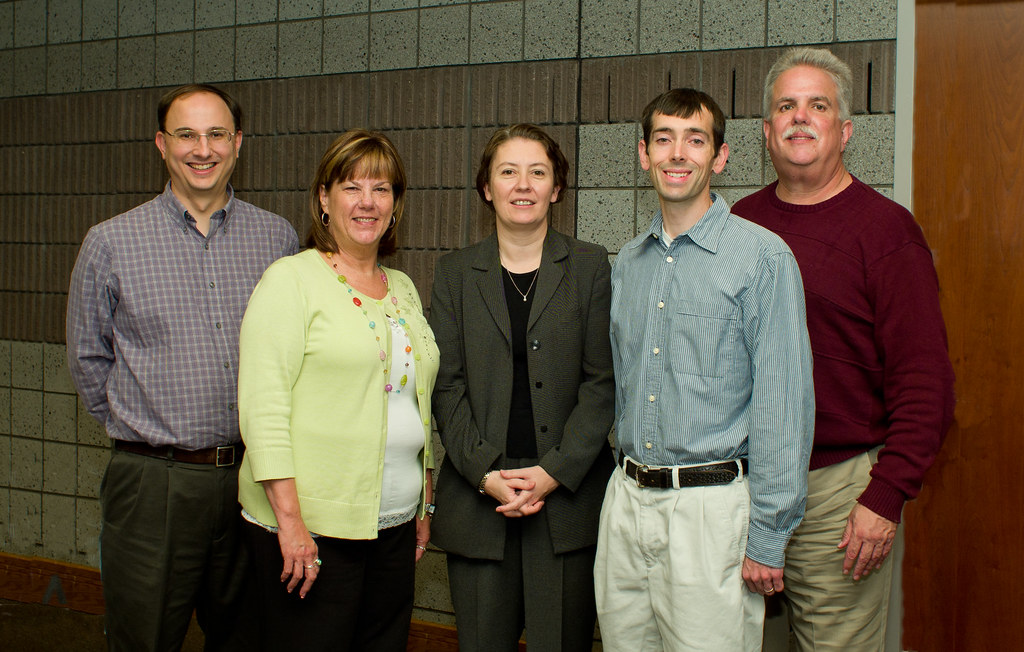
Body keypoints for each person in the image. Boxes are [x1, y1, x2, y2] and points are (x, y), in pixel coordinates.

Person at [732, 47, 956, 651]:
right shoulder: (739, 226)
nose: (800, 117)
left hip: (836, 494)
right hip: (744, 489)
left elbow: (925, 381)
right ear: (766, 131)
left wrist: (884, 496)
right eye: (786, 106)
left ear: (845, 130)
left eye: (818, 105)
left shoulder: (886, 231)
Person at [66, 84, 299, 650]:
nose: (203, 149)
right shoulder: (111, 243)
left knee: (251, 638)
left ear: (238, 143)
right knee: (144, 637)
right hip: (154, 483)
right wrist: (143, 432)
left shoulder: (277, 238)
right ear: (161, 143)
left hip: (253, 478)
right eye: (187, 135)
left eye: (217, 134)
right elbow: (88, 358)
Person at [594, 88, 815, 651]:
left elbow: (783, 404)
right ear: (643, 154)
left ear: (720, 157)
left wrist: (768, 536)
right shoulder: (629, 263)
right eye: (663, 139)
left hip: (709, 513)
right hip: (626, 503)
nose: (677, 153)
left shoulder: (762, 257)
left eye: (695, 140)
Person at [236, 129, 439, 651]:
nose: (367, 202)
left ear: (395, 205)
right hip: (314, 528)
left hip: (395, 523)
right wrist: (290, 524)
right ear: (324, 199)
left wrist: (423, 500)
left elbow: (413, 399)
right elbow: (263, 409)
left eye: (381, 188)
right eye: (352, 187)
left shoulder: (403, 288)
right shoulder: (290, 280)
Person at [429, 124, 615, 651]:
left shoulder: (589, 266)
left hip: (567, 499)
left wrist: (554, 471)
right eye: (507, 171)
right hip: (479, 497)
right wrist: (485, 472)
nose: (523, 185)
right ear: (487, 187)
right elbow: (446, 386)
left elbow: (602, 383)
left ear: (557, 187)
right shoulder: (455, 273)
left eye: (538, 172)